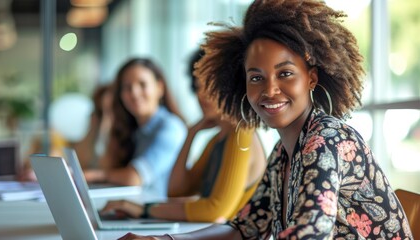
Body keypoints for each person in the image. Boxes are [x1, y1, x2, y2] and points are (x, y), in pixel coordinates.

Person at [117, 0, 414, 239]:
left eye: (285, 73)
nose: (269, 90)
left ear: (311, 77)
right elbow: (246, 227)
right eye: (256, 77)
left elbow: (308, 234)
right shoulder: (284, 152)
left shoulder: (325, 140)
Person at [100, 49, 267, 223]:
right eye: (197, 87)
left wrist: (144, 210)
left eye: (208, 85)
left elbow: (215, 210)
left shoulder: (242, 133)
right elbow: (176, 190)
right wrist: (190, 134)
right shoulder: (216, 140)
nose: (200, 95)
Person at [84, 58, 187, 198]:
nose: (134, 93)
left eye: (142, 84)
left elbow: (134, 178)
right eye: (127, 87)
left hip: (159, 213)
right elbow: (103, 163)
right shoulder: (134, 130)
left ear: (160, 87)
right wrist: (107, 117)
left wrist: (97, 176)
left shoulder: (171, 128)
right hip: (133, 209)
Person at [73, 83, 114, 169]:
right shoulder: (96, 123)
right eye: (101, 110)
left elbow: (106, 165)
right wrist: (92, 129)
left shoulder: (123, 131)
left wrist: (106, 123)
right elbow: (79, 161)